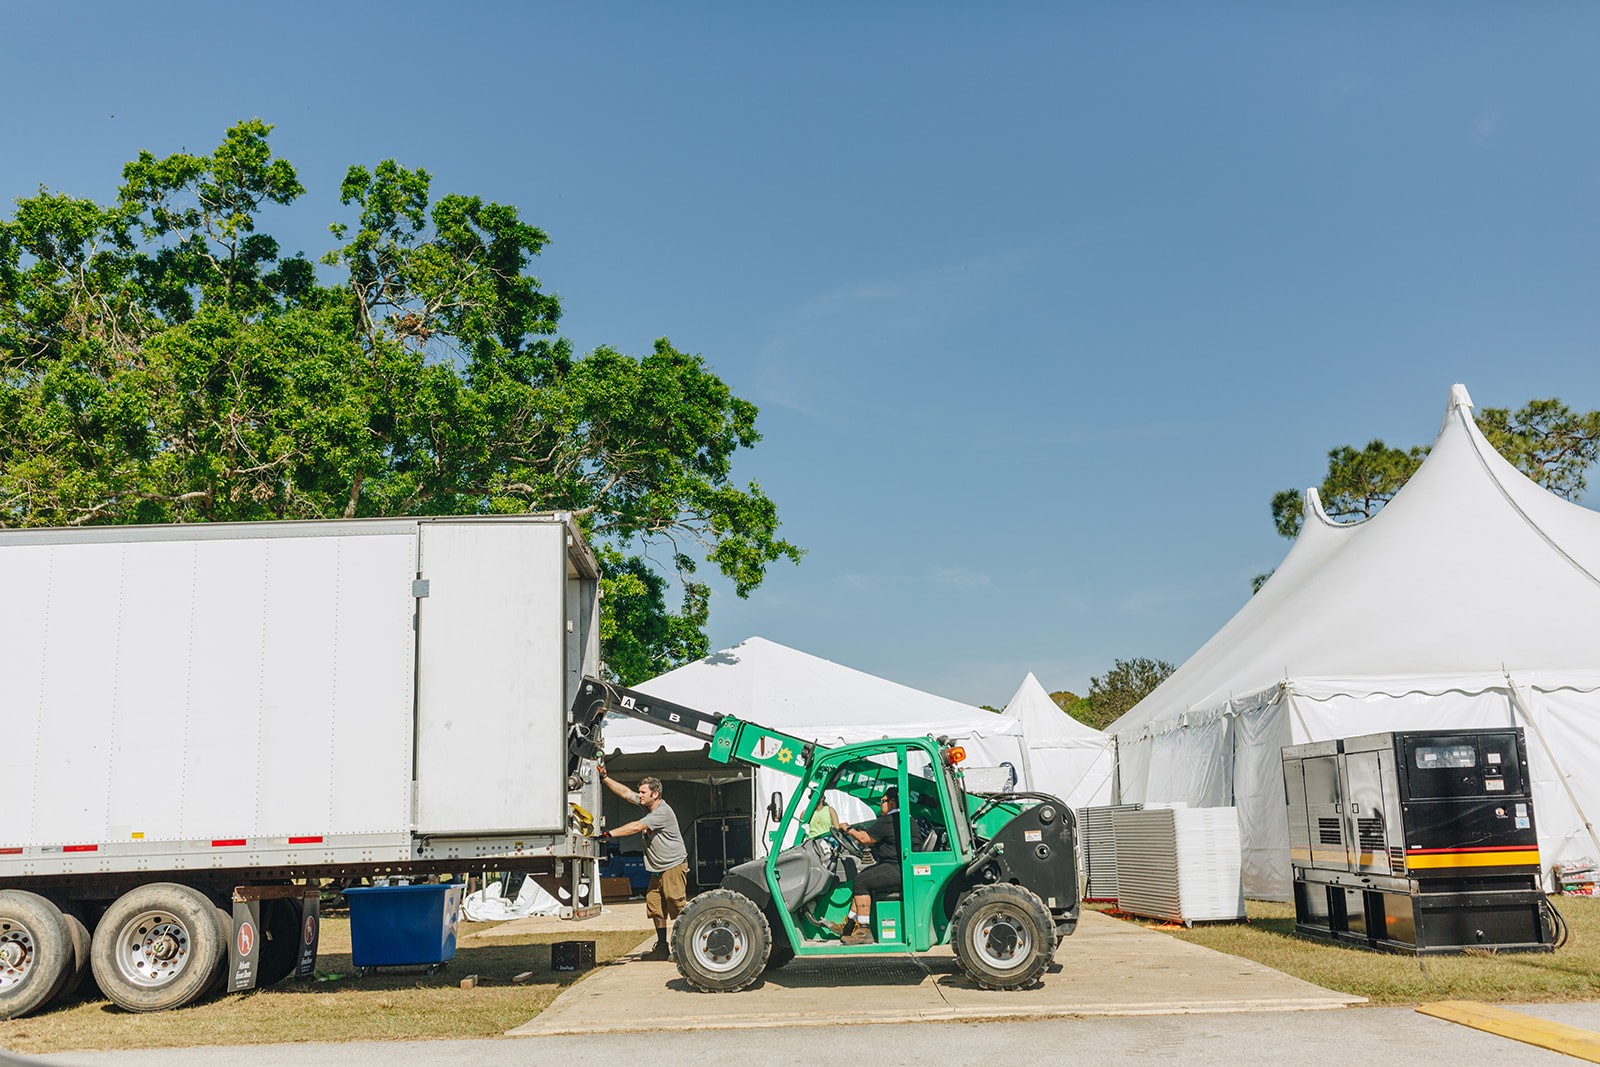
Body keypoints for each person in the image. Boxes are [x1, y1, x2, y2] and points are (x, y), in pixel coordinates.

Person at [599, 767, 688, 958]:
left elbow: (637, 826)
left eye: (643, 792)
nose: (639, 795)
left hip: (673, 864)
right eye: (639, 792)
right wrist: (605, 778)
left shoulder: (662, 811)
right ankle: (662, 948)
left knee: (677, 904)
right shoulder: (647, 805)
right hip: (657, 867)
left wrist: (609, 834)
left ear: (655, 794)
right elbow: (625, 793)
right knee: (655, 906)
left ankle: (685, 949)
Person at [839, 785, 900, 945]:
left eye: (882, 801)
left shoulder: (889, 820)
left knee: (860, 881)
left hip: (896, 867)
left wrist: (848, 829)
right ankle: (849, 926)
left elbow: (865, 839)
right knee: (863, 879)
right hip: (898, 866)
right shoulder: (903, 818)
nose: (881, 804)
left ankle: (864, 931)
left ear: (892, 802)